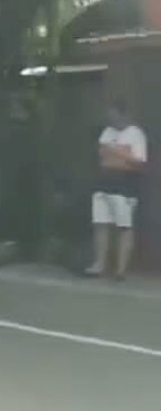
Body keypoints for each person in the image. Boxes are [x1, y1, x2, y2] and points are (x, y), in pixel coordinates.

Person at [85, 100, 147, 279]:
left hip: (125, 186)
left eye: (114, 117)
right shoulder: (107, 132)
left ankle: (120, 269)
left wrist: (117, 152)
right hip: (104, 183)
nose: (111, 121)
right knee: (101, 224)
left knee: (124, 226)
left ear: (124, 115)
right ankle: (99, 264)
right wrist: (118, 154)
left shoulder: (136, 135)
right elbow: (102, 154)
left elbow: (139, 163)